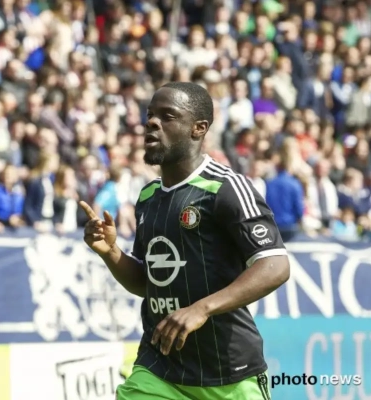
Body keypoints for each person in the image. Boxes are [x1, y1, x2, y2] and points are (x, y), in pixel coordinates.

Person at [80, 82, 290, 400]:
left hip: (228, 373)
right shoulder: (148, 197)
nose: (152, 123)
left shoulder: (227, 188)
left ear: (198, 128)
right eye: (150, 115)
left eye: (167, 116)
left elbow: (275, 265)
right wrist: (111, 252)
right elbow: (149, 283)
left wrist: (201, 309)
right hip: (159, 369)